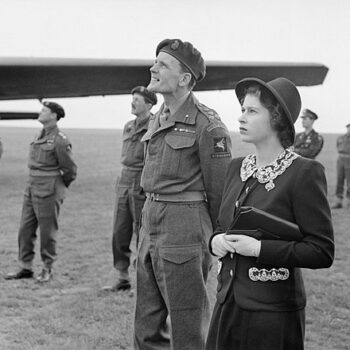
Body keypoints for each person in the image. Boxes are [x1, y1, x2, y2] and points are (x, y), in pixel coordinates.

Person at [206, 77, 334, 350]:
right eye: (242, 109)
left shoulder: (304, 173)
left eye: (252, 111)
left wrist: (259, 249)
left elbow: (321, 251)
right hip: (227, 303)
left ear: (276, 118)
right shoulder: (236, 167)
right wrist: (215, 242)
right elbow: (221, 226)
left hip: (272, 315)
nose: (241, 118)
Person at [134, 39, 232, 350]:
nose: (153, 68)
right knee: (146, 324)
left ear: (185, 78)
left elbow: (220, 192)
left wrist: (218, 242)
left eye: (163, 64)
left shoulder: (208, 125)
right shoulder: (157, 116)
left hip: (184, 229)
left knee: (188, 325)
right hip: (150, 222)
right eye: (155, 61)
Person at [5, 101, 77, 283]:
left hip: (49, 188)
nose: (41, 112)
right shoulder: (39, 135)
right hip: (32, 186)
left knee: (47, 231)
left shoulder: (60, 139)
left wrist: (57, 187)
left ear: (53, 115)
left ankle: (47, 267)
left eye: (44, 110)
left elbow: (70, 170)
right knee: (25, 229)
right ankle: (25, 266)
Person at [103, 86, 157, 292]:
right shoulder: (128, 126)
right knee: (120, 231)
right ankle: (122, 277)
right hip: (124, 180)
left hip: (141, 181)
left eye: (137, 99)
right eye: (132, 98)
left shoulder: (154, 125)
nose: (132, 102)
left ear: (149, 104)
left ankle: (142, 283)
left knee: (141, 232)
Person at [332, 123, 350, 209]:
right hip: (340, 159)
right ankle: (338, 201)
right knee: (340, 180)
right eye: (348, 128)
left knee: (349, 181)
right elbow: (338, 146)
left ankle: (349, 201)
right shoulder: (341, 138)